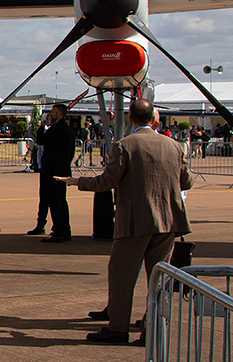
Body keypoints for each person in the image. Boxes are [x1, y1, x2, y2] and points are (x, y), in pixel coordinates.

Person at [58, 99, 192, 344]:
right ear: (154, 119)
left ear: (130, 119)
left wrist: (78, 181)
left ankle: (118, 327)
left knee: (122, 275)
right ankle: (153, 330)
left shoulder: (124, 146)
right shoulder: (175, 146)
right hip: (168, 221)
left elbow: (107, 182)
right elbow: (187, 181)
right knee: (159, 278)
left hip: (134, 222)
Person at [32, 104, 76, 242]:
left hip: (52, 171)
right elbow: (71, 152)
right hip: (62, 169)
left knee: (54, 201)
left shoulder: (56, 129)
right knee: (61, 201)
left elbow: (41, 141)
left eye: (53, 112)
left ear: (60, 114)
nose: (50, 114)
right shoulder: (69, 130)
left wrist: (42, 128)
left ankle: (58, 231)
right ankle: (65, 230)